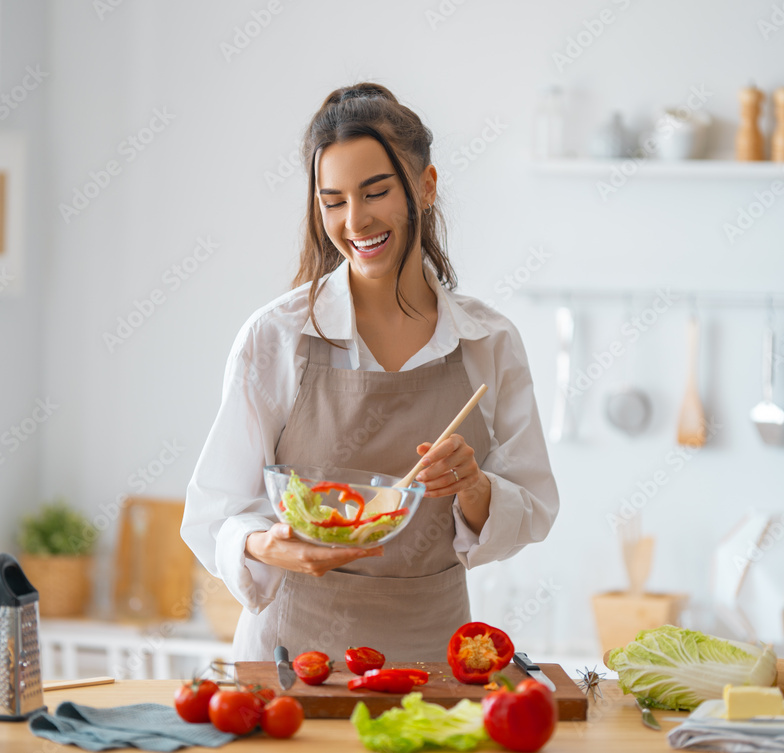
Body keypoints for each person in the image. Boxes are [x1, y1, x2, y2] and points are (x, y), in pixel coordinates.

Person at [181, 82, 559, 663]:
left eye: (375, 192)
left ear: (425, 187)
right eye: (333, 201)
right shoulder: (276, 337)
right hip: (293, 660)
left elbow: (533, 505)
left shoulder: (491, 341)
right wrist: (271, 544)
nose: (355, 221)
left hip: (436, 657)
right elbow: (214, 513)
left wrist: (476, 489)